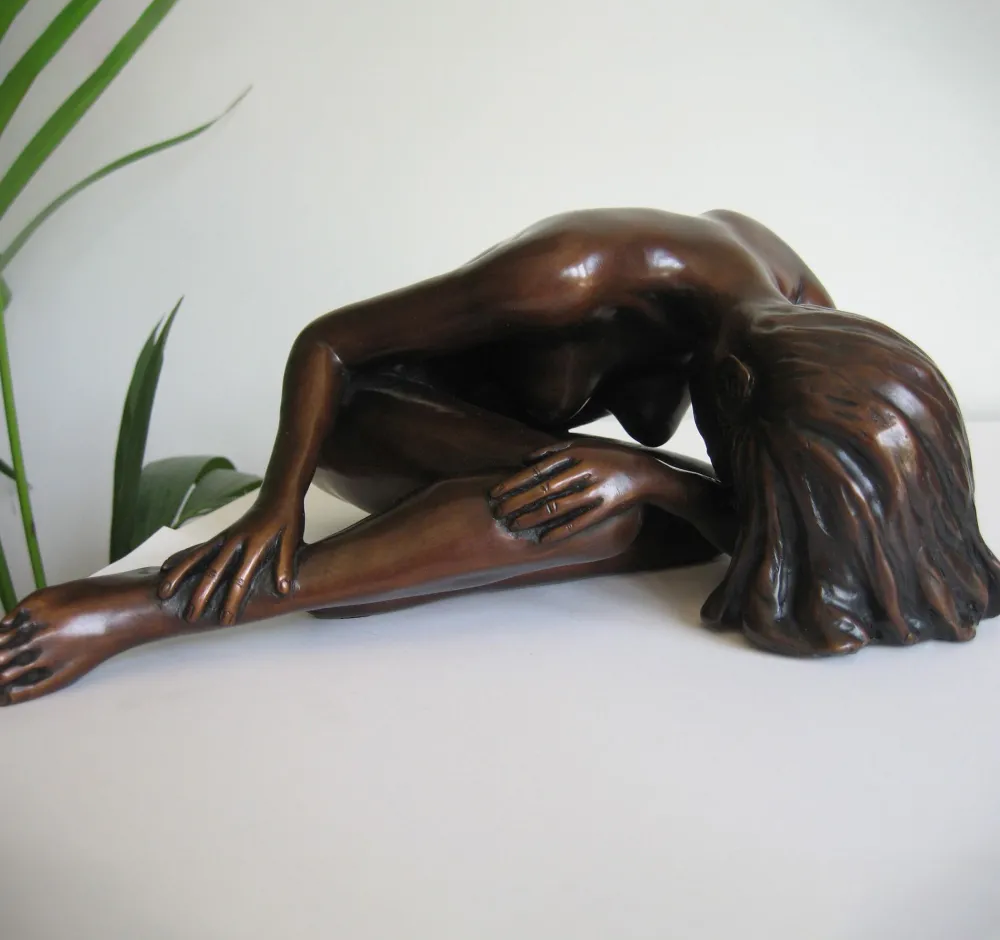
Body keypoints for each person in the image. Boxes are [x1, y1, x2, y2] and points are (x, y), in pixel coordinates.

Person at [1, 208, 997, 706]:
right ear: (732, 389)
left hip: (520, 457)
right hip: (377, 416)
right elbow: (330, 344)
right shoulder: (571, 276)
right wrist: (278, 501)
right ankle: (144, 607)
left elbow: (741, 512)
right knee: (589, 507)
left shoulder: (798, 316)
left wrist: (651, 472)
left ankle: (408, 562)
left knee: (629, 502)